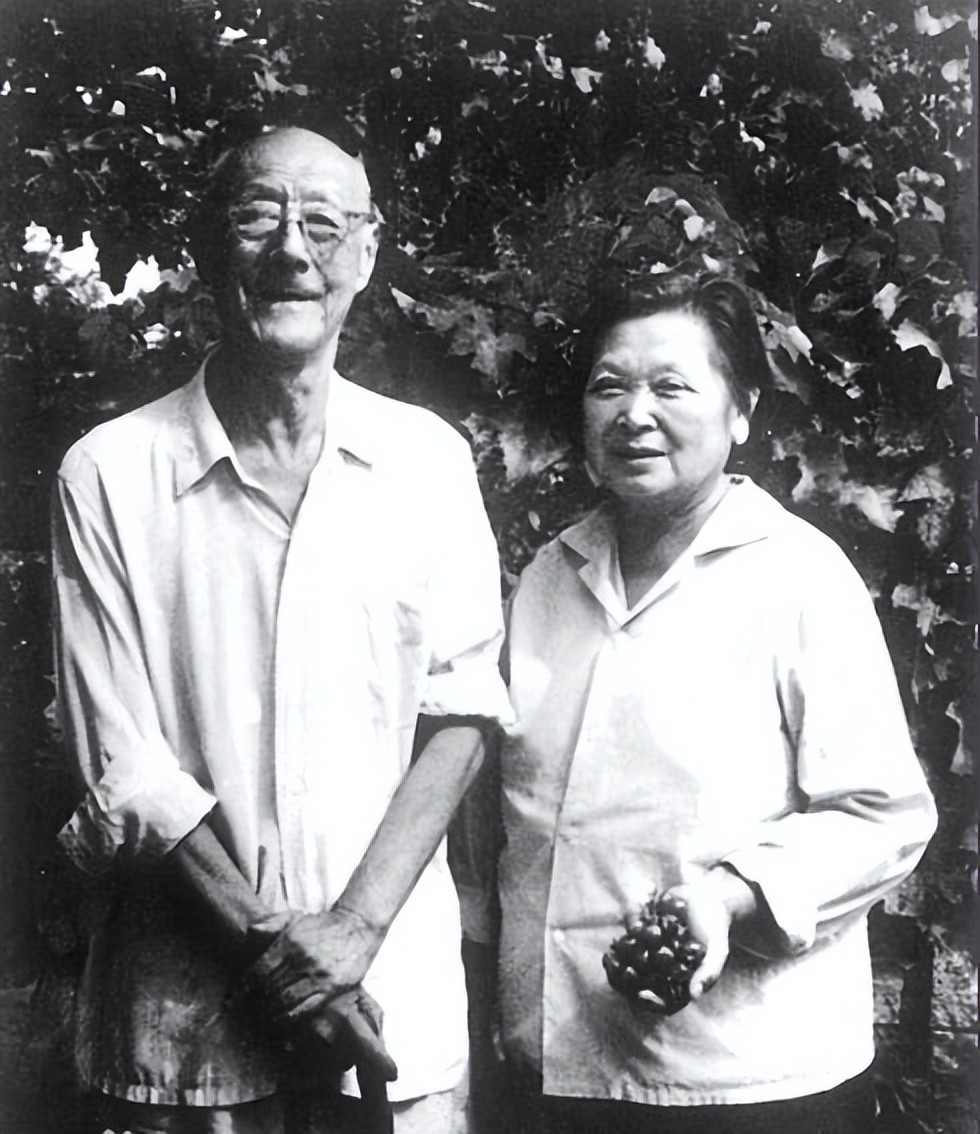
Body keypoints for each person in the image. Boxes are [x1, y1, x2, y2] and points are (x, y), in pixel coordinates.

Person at [51, 122, 512, 1134]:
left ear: (368, 251)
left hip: (390, 1009)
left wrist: (353, 932)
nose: (292, 249)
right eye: (259, 216)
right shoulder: (111, 473)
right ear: (209, 245)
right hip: (187, 1029)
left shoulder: (427, 462)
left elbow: (464, 711)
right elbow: (124, 763)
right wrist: (288, 959)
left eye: (323, 223)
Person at [494, 276, 938, 1133]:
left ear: (742, 411)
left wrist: (731, 897)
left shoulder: (799, 575)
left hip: (749, 1078)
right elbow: (505, 822)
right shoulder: (549, 577)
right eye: (609, 386)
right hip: (557, 1064)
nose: (634, 414)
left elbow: (883, 814)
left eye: (671, 386)